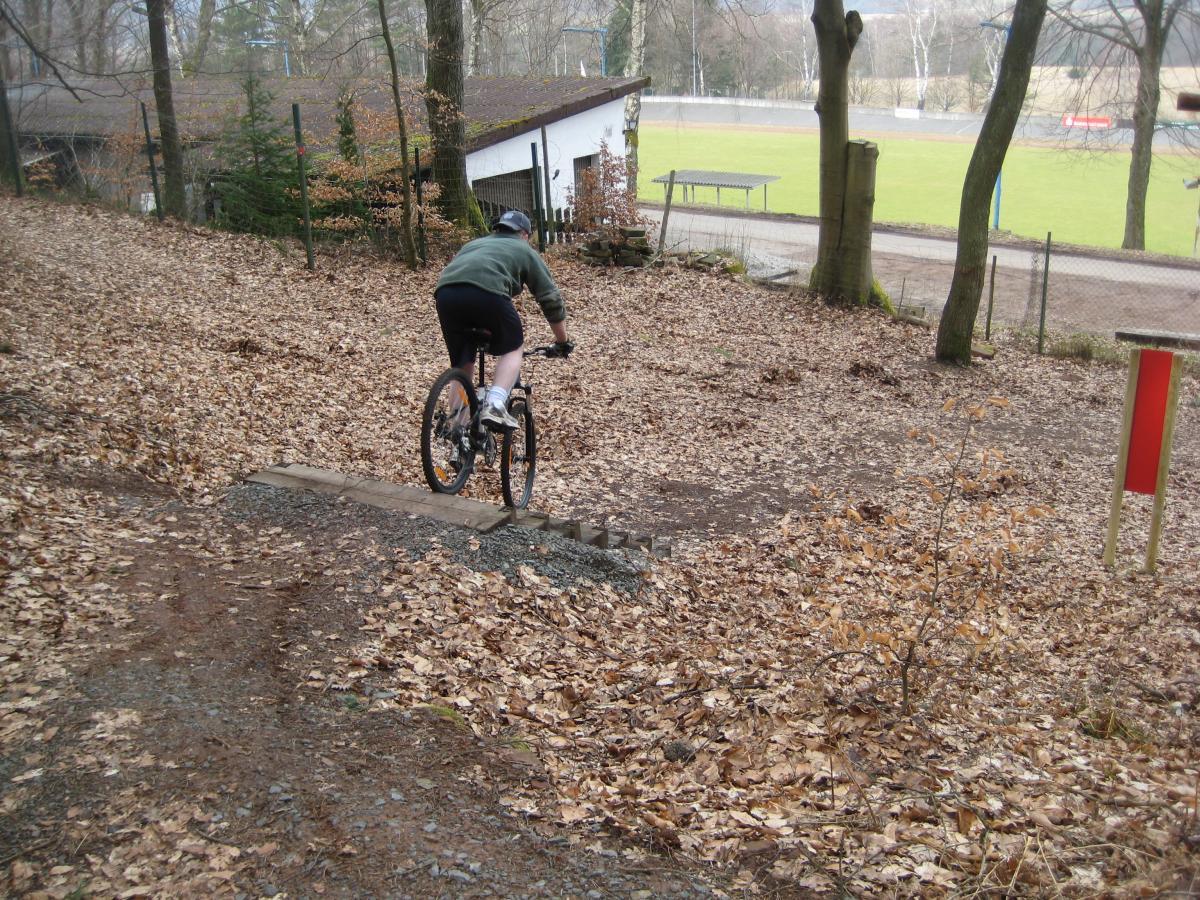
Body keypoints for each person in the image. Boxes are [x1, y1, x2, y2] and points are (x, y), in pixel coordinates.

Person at [433, 209, 572, 430]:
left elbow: (463, 273)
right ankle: (496, 403)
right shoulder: (523, 249)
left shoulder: (474, 244)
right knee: (513, 344)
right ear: (524, 234)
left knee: (463, 363)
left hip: (446, 295)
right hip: (487, 293)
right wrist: (562, 341)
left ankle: (456, 430)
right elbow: (550, 298)